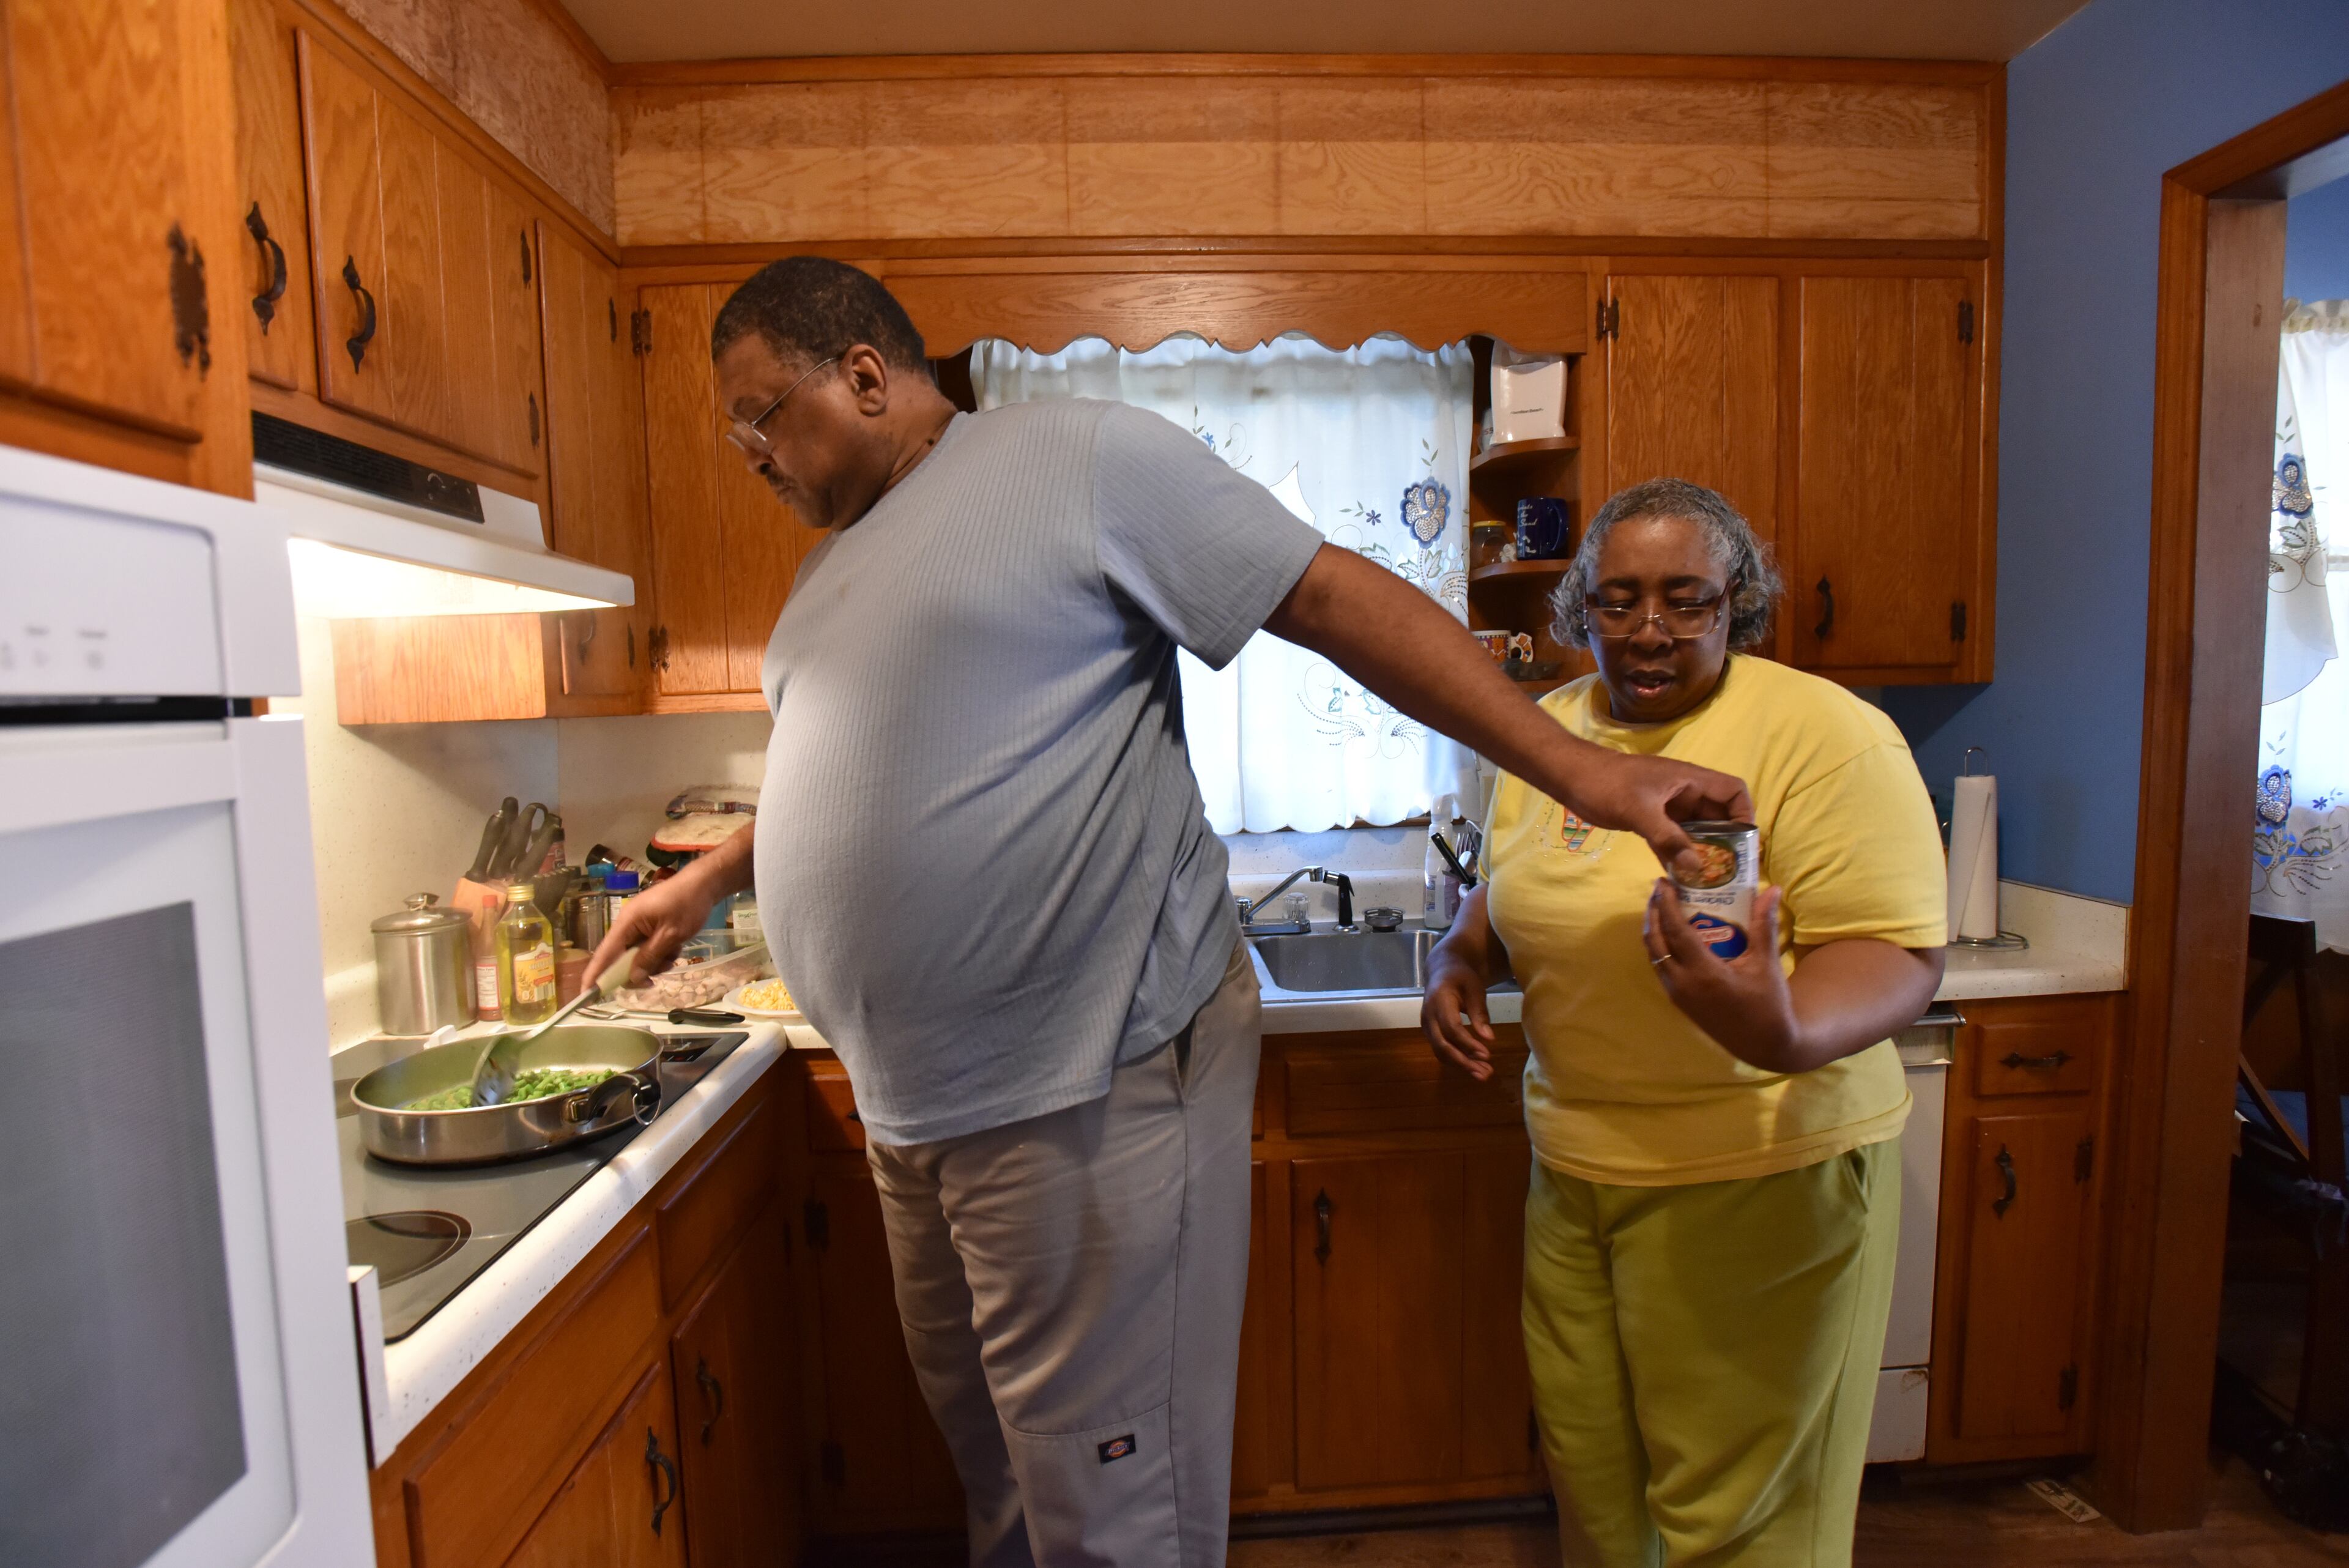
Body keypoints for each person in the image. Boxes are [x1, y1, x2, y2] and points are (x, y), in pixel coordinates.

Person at [587, 258, 1749, 1568]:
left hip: (1088, 1071)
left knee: (1110, 1505)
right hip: (918, 1110)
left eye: (758, 412)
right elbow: (859, 776)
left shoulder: (1070, 457)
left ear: (863, 375)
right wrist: (705, 880)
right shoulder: (824, 588)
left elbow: (1327, 594)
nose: (745, 450)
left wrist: (1584, 768)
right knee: (1000, 1467)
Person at [1422, 478, 1948, 1568]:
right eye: (1616, 602)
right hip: (1577, 1173)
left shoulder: (1825, 732)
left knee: (1743, 1527)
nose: (1648, 631)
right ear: (1580, 612)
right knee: (1600, 1504)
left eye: (1684, 599)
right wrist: (1459, 952)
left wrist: (1783, 1030)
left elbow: (1896, 953)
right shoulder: (1549, 732)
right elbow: (1511, 875)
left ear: (1737, 603)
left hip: (1759, 1171)